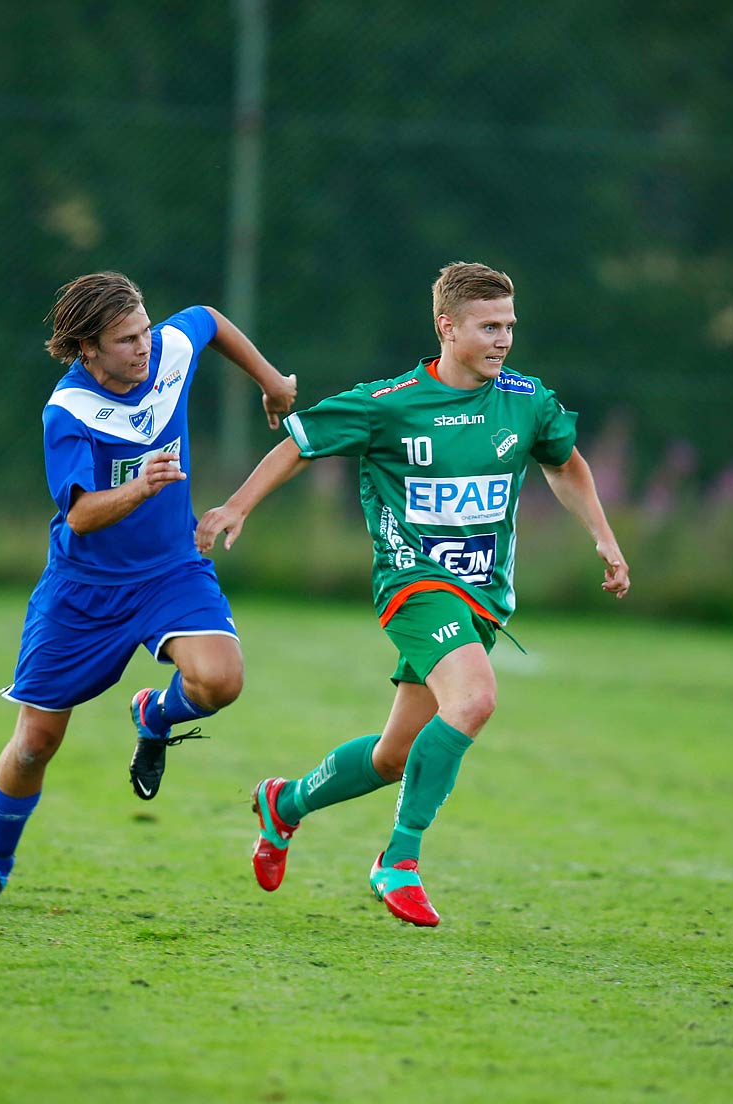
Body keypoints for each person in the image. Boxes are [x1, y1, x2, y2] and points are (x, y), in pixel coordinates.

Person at [196, 261, 629, 926]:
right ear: (447, 327)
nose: (504, 339)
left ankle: (285, 803)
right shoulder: (389, 402)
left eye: (510, 325)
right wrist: (237, 505)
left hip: (482, 598)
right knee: (477, 697)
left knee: (394, 756)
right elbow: (299, 443)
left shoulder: (526, 400)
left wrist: (603, 534)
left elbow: (564, 463)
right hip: (415, 584)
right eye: (490, 327)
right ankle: (397, 860)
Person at [0, 272, 296, 906]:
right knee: (35, 742)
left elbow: (209, 318)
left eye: (144, 331)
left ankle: (155, 717)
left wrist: (271, 382)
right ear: (87, 348)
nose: (143, 347)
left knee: (221, 680)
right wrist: (140, 487)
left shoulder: (167, 350)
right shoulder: (70, 411)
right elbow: (79, 515)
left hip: (171, 569)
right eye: (125, 340)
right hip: (83, 590)